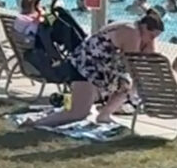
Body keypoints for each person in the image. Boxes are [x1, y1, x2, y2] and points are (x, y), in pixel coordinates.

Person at [20, 12, 164, 129]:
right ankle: (35, 124)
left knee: (125, 84)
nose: (151, 40)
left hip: (95, 68)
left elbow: (146, 57)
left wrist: (150, 43)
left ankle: (104, 115)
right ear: (144, 27)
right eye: (151, 36)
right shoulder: (131, 33)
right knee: (78, 113)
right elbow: (133, 65)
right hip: (86, 69)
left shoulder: (131, 26)